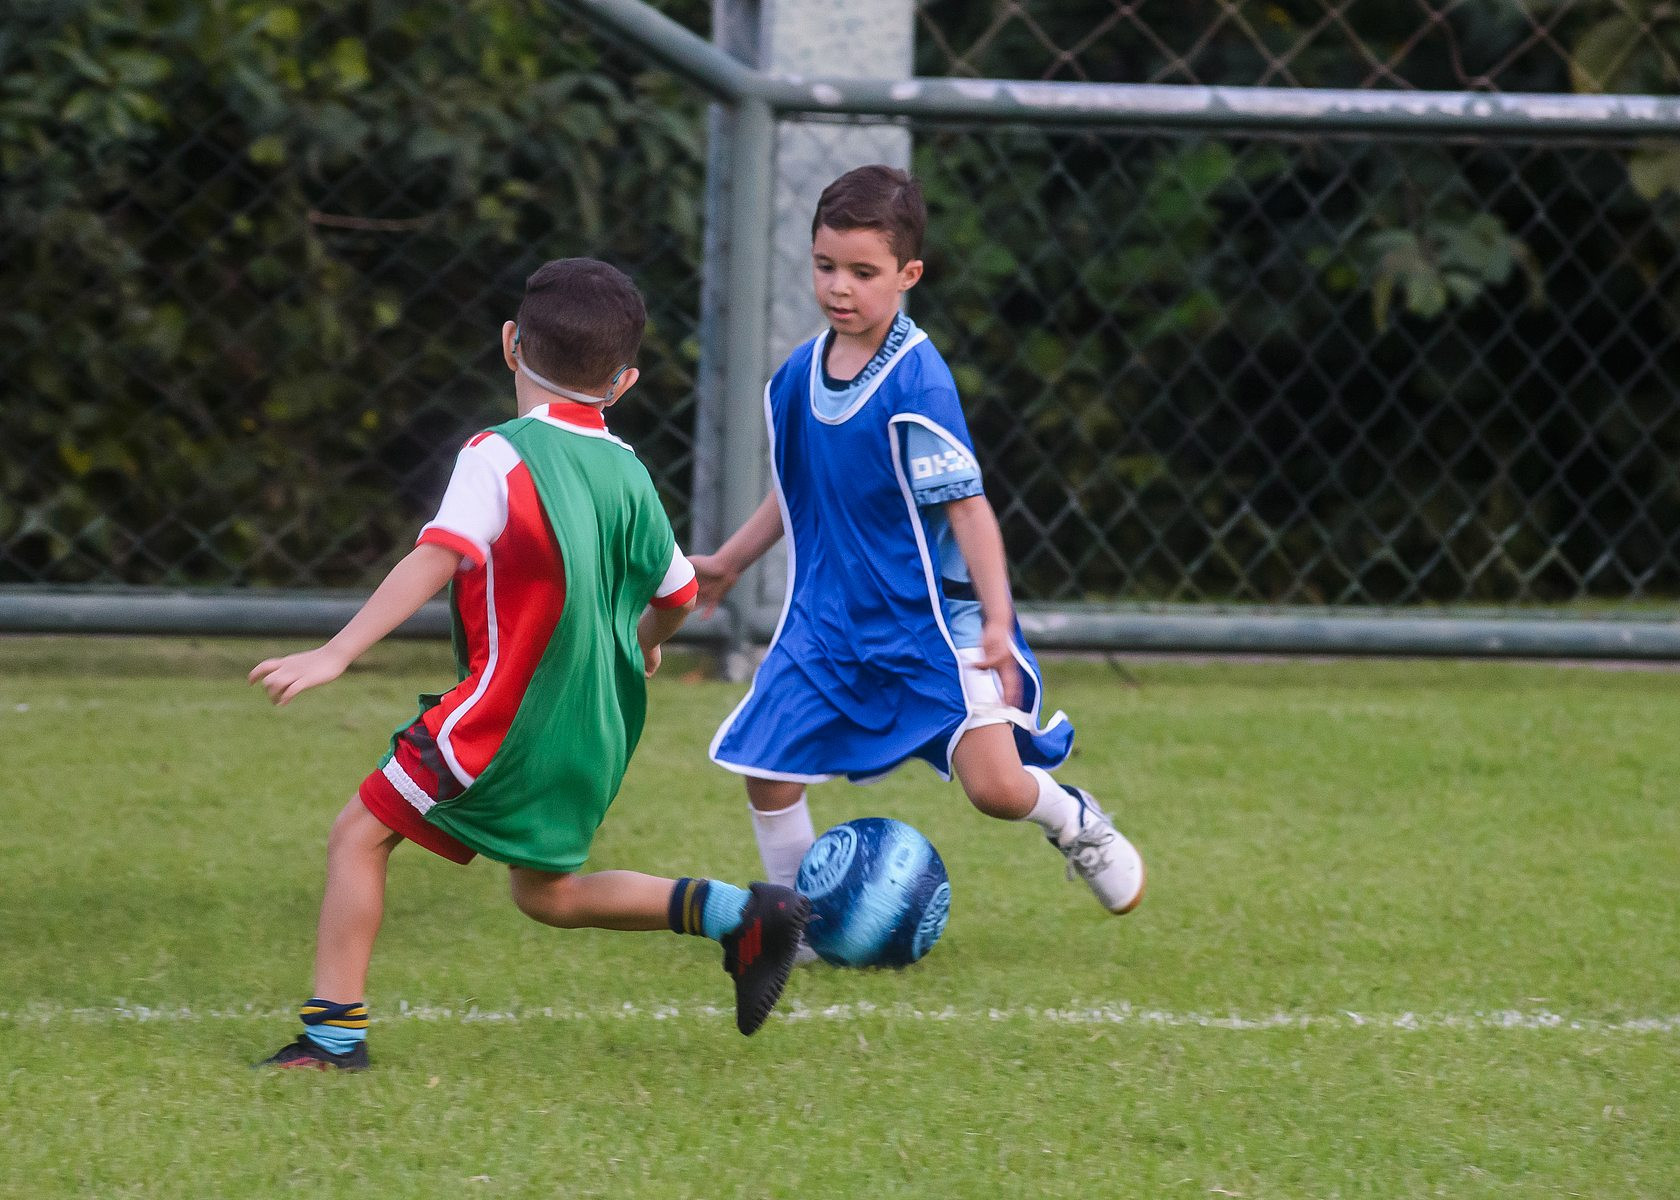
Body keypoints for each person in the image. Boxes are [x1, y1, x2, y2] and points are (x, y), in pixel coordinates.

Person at [250, 258, 810, 1070]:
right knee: (546, 893)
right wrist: (647, 640)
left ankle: (333, 1039)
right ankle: (739, 915)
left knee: (359, 835)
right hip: (594, 731)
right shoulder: (629, 471)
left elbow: (437, 555)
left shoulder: (498, 455)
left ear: (511, 343)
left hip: (502, 718)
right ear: (623, 382)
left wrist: (337, 652)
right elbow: (682, 593)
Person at [691, 166, 1145, 931]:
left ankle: (1073, 819)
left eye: (863, 272)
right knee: (766, 767)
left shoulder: (918, 384)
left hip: (930, 627)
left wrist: (996, 622)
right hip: (830, 624)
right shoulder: (797, 377)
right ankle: (798, 923)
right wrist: (729, 563)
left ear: (908, 275)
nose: (839, 287)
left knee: (996, 789)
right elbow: (799, 492)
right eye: (825, 265)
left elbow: (968, 509)